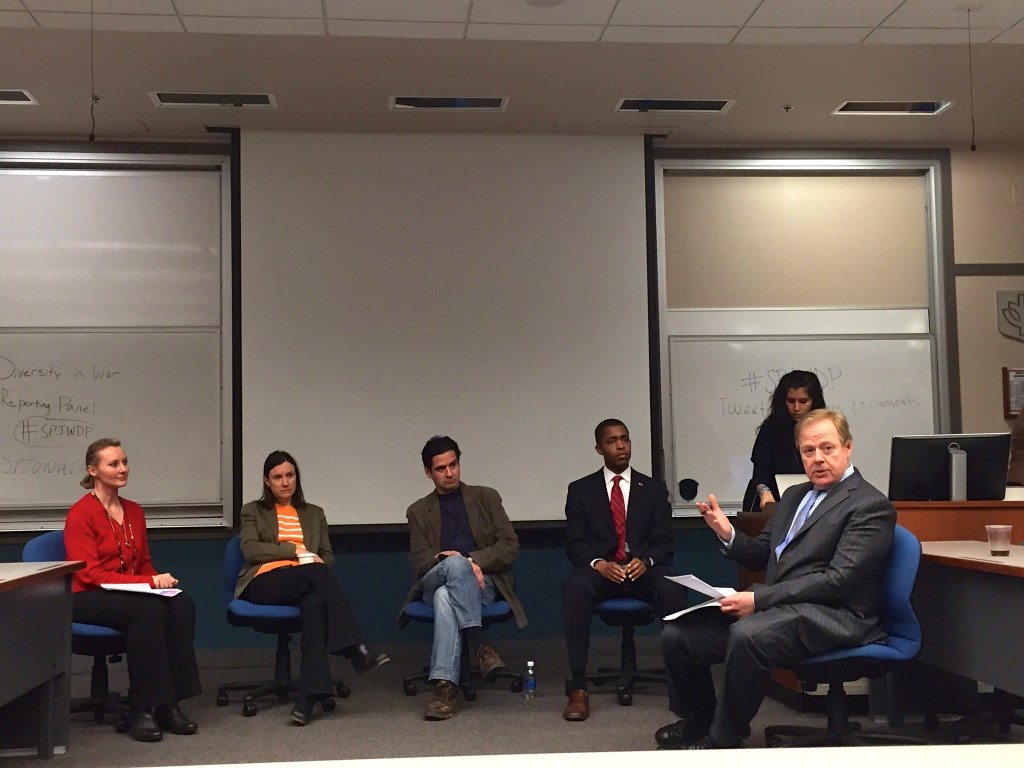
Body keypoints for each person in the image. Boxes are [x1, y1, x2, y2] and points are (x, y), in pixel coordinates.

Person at [655, 408, 895, 750]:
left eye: (828, 448)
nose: (818, 459)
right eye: (808, 451)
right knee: (679, 635)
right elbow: (763, 553)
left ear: (848, 448)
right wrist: (727, 534)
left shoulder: (869, 504)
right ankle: (699, 719)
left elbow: (837, 580)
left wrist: (758, 600)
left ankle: (723, 739)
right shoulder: (796, 495)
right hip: (782, 609)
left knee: (748, 634)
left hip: (836, 615)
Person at [236, 450, 389, 726]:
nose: (285, 482)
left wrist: (314, 560)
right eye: (278, 477)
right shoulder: (252, 511)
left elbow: (327, 556)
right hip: (265, 582)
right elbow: (250, 550)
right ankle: (355, 648)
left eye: (290, 475)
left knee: (315, 605)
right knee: (314, 574)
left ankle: (307, 698)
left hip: (307, 582)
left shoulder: (314, 513)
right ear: (267, 481)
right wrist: (295, 552)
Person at [64, 438, 201, 743]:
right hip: (86, 595)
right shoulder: (80, 514)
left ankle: (168, 703)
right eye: (113, 464)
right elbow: (91, 574)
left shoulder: (134, 512)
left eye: (125, 462)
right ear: (93, 470)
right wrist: (148, 584)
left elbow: (144, 564)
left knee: (182, 603)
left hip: (125, 591)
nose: (123, 469)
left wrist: (158, 581)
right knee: (148, 609)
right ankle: (142, 708)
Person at [561, 418, 688, 721]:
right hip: (602, 571)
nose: (621, 446)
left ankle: (682, 683)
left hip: (642, 569)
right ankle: (578, 686)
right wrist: (600, 565)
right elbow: (575, 544)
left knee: (673, 586)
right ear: (598, 448)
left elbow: (664, 543)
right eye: (612, 441)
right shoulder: (580, 490)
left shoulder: (653, 489)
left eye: (625, 439)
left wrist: (646, 562)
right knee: (574, 589)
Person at [398, 435, 526, 721]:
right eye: (441, 468)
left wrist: (472, 562)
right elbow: (420, 559)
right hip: (434, 581)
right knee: (451, 570)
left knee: (447, 595)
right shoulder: (418, 511)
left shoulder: (486, 497)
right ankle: (480, 645)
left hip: (484, 585)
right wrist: (453, 562)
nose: (449, 473)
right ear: (428, 473)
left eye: (453, 465)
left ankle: (444, 688)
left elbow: (509, 545)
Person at [743, 370, 827, 512]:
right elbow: (760, 473)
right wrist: (764, 492)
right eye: (790, 401)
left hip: (814, 503)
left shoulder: (825, 429)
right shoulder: (770, 430)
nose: (796, 408)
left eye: (803, 401)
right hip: (773, 503)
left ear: (814, 402)